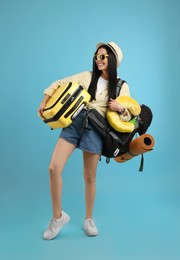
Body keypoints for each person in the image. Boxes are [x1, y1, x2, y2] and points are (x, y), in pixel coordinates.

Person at [38, 41, 131, 240]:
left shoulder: (122, 87)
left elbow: (130, 118)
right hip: (75, 122)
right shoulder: (87, 76)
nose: (98, 59)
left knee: (89, 177)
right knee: (54, 168)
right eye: (96, 56)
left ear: (113, 60)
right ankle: (58, 217)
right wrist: (45, 99)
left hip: (96, 129)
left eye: (103, 56)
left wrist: (121, 109)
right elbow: (59, 83)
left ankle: (89, 219)